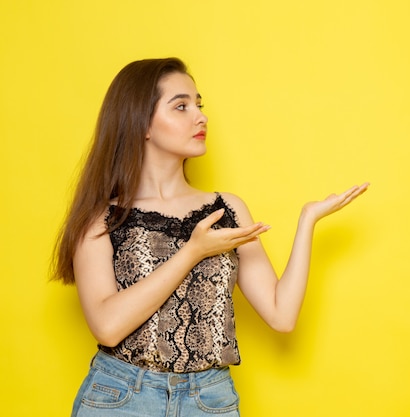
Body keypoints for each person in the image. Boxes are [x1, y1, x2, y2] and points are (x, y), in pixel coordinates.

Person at [51, 57, 368, 417]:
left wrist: (308, 220)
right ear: (142, 123)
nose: (200, 117)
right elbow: (107, 328)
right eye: (181, 106)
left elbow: (282, 316)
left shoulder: (227, 209)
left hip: (209, 400)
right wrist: (192, 252)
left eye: (199, 105)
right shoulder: (101, 217)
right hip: (122, 396)